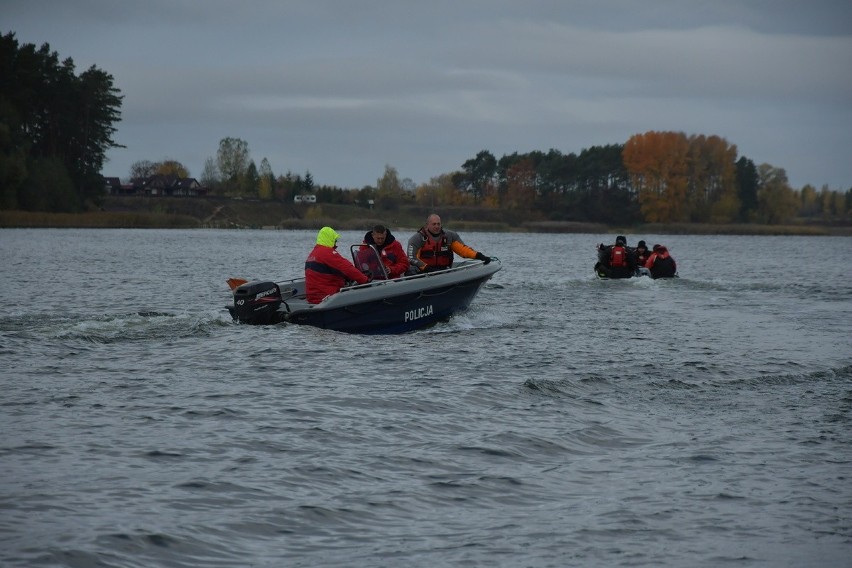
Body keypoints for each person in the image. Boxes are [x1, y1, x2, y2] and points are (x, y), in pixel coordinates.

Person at [305, 226, 371, 304]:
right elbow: (347, 268)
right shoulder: (327, 253)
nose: (336, 242)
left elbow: (327, 272)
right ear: (330, 239)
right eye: (335, 240)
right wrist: (365, 280)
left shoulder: (314, 253)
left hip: (313, 297)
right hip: (326, 298)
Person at [407, 213, 492, 273]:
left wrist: (480, 256)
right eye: (434, 224)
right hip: (425, 273)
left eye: (438, 224)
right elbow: (412, 258)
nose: (437, 226)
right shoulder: (417, 239)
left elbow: (463, 250)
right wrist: (427, 268)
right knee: (411, 271)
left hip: (444, 271)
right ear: (427, 225)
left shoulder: (450, 236)